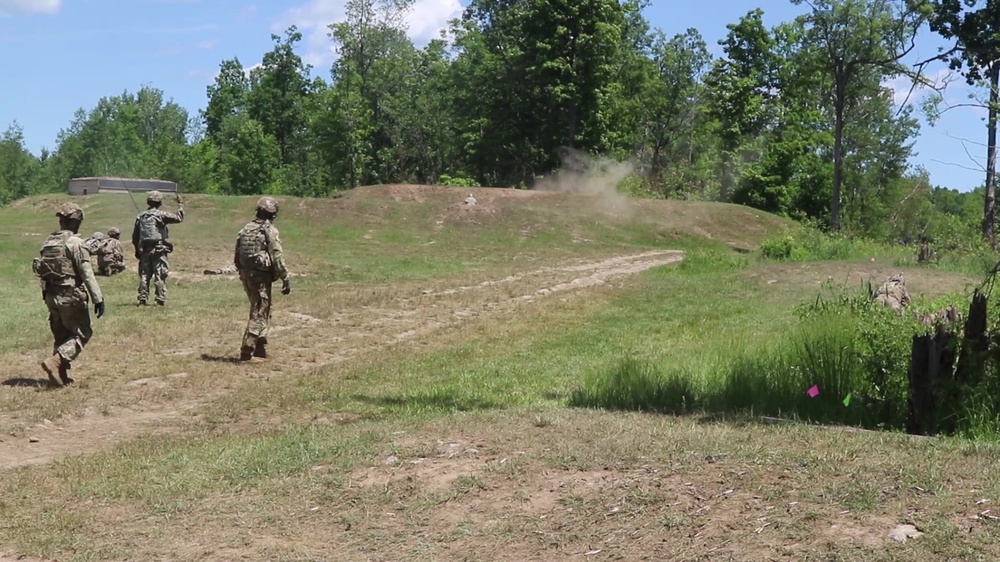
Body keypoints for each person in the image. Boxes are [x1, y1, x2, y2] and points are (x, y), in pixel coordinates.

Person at [32, 202, 105, 387]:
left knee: (62, 335)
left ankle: (60, 375)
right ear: (75, 221)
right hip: (69, 294)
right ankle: (56, 362)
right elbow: (86, 272)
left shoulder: (49, 242)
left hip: (50, 295)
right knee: (82, 332)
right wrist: (98, 298)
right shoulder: (75, 243)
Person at [234, 196, 291, 362]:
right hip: (260, 276)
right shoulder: (269, 230)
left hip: (247, 274)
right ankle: (248, 348)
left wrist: (243, 273)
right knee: (259, 312)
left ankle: (261, 346)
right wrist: (285, 277)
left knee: (261, 308)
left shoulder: (245, 229)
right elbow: (277, 255)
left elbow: (237, 255)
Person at [131, 190, 184, 306]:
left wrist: (137, 250)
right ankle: (160, 299)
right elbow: (179, 218)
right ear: (160, 202)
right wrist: (180, 204)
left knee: (145, 275)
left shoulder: (141, 216)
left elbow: (135, 236)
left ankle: (142, 299)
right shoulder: (161, 215)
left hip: (145, 249)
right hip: (159, 249)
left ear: (147, 202)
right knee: (160, 274)